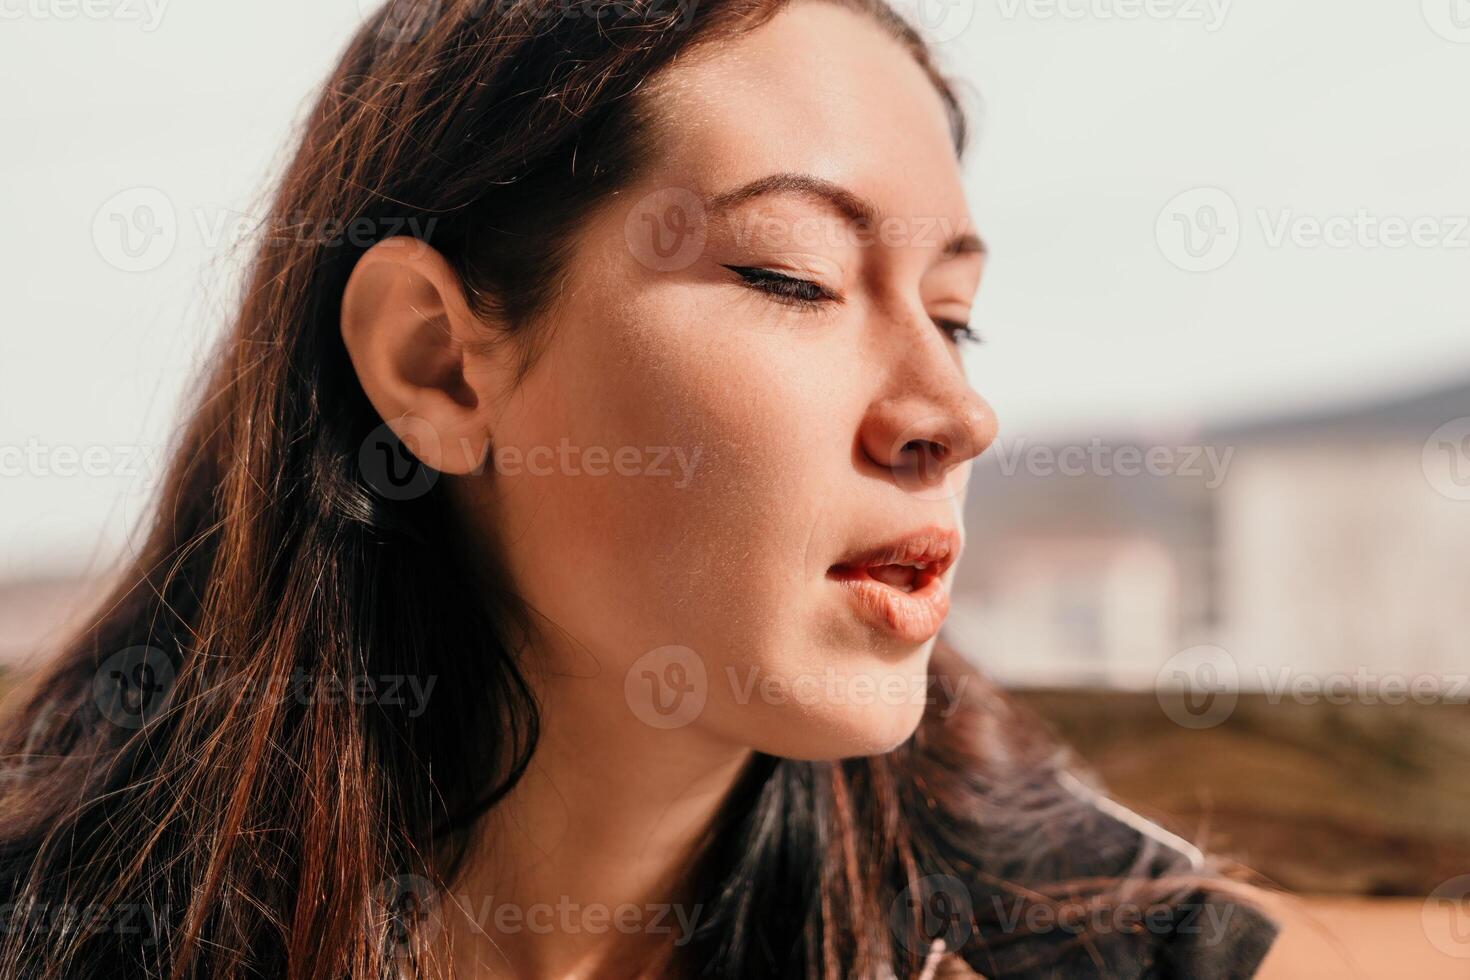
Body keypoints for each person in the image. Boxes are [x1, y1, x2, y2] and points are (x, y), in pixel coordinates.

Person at [0, 0, 1280, 976]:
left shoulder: (1087, 938)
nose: (954, 415)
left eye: (956, 316)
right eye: (794, 276)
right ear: (436, 365)